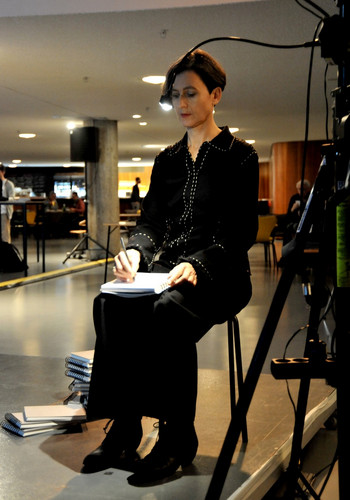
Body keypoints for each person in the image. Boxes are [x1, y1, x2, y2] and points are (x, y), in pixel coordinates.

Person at [83, 49, 259, 485]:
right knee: (109, 304)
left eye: (191, 93)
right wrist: (137, 253)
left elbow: (238, 233)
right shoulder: (165, 161)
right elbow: (150, 222)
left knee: (167, 312)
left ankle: (178, 438)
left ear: (215, 95)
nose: (182, 103)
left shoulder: (240, 156)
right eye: (176, 95)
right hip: (164, 270)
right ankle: (125, 428)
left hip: (223, 274)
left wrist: (198, 264)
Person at [283, 179, 311, 246]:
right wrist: (292, 210)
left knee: (299, 228)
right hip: (296, 221)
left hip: (308, 221)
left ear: (308, 189)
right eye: (299, 189)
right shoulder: (294, 197)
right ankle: (287, 251)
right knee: (287, 228)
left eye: (303, 189)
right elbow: (289, 214)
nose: (301, 191)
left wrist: (302, 205)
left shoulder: (310, 197)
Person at [0, 164, 15, 243]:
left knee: (5, 235)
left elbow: (12, 198)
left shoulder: (8, 184)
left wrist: (5, 199)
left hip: (4, 212)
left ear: (3, 172)